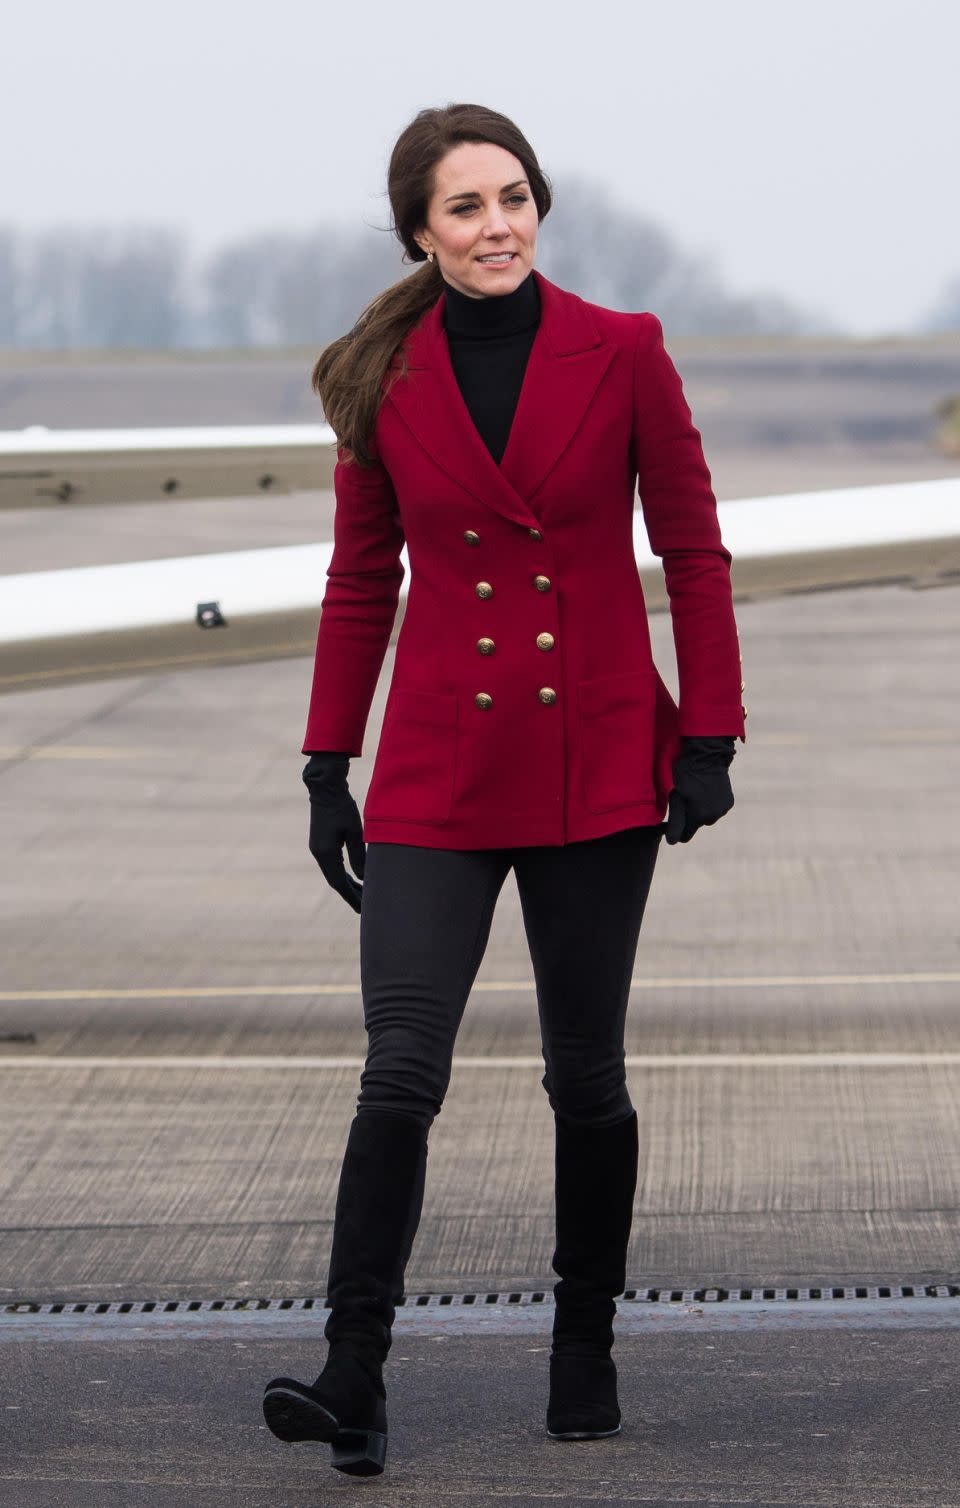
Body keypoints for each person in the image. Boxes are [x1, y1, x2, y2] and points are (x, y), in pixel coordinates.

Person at [262, 102, 747, 1478]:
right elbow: (364, 576)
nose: (499, 227)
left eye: (517, 198)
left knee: (584, 1078)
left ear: (542, 207)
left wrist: (706, 731)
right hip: (436, 767)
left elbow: (694, 552)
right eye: (468, 208)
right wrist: (324, 757)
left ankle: (582, 1341)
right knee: (399, 1067)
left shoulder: (625, 351)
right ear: (421, 227)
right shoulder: (383, 375)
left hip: (599, 759)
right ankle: (355, 1372)